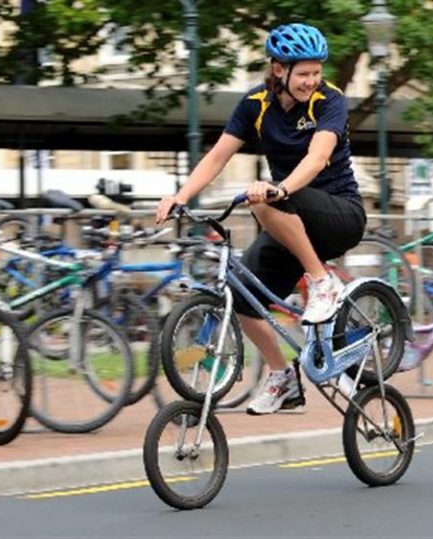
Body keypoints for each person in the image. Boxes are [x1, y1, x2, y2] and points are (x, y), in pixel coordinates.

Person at [155, 23, 366, 415]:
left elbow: (317, 158)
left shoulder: (329, 100)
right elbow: (218, 156)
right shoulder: (254, 104)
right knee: (242, 293)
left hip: (340, 214)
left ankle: (322, 283)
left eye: (315, 72)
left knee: (262, 199)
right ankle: (282, 376)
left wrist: (281, 189)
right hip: (289, 218)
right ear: (277, 69)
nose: (311, 81)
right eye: (303, 74)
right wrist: (180, 196)